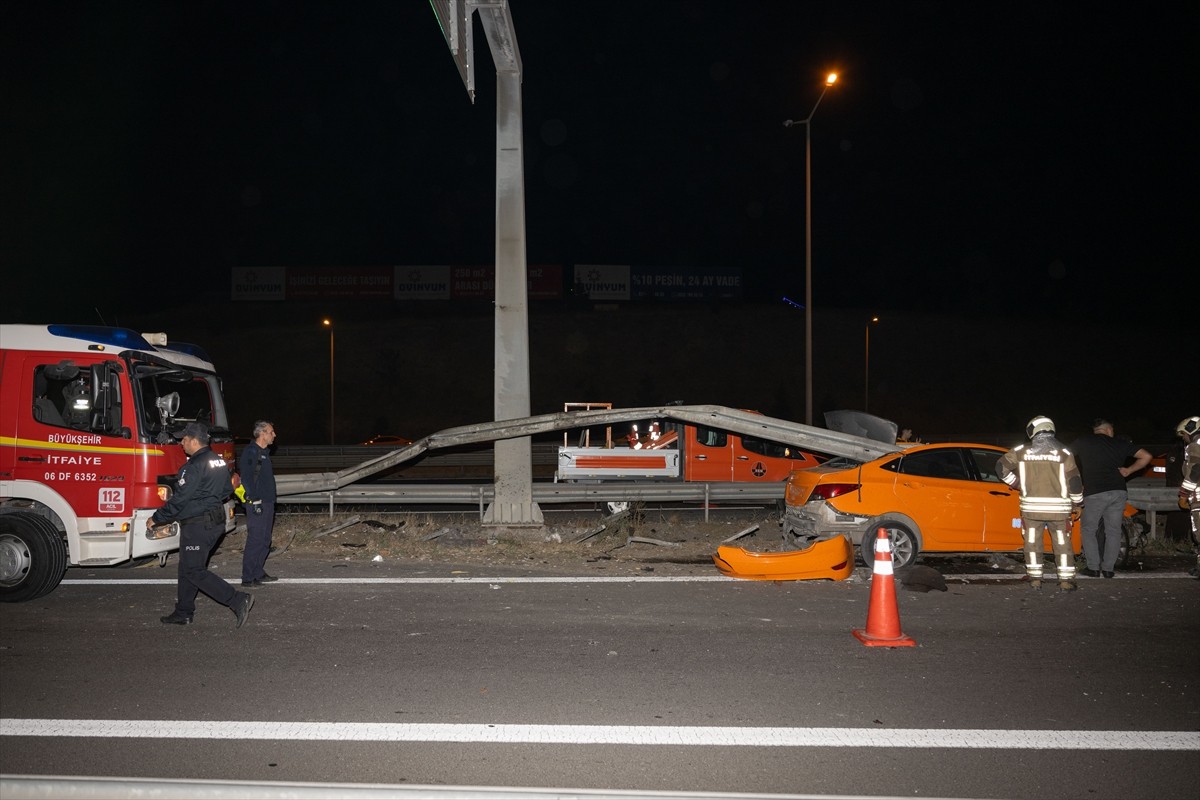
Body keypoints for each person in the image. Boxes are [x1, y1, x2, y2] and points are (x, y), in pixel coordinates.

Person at [149, 422, 254, 627]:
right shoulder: (218, 460)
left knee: (193, 570)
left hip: (198, 524)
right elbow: (227, 489)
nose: (181, 443)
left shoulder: (193, 466)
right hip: (214, 520)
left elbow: (180, 499)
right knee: (186, 568)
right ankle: (183, 612)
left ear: (194, 441)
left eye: (184, 439)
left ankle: (237, 599)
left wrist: (158, 517)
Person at [996, 416, 1083, 591]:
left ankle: (1035, 579)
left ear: (1032, 431)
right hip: (1058, 510)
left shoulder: (1021, 451)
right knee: (1062, 543)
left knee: (1032, 542)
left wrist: (1017, 484)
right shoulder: (1064, 453)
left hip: (1031, 509)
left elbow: (1000, 468)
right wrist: (1077, 503)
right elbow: (1074, 482)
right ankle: (1065, 581)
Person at [1070, 418, 1152, 578]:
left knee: (1089, 530)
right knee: (1113, 531)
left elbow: (1064, 455)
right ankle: (1108, 569)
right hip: (1118, 491)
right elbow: (1146, 456)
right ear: (1108, 430)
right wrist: (1128, 470)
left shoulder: (1083, 441)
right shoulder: (1120, 443)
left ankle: (1093, 567)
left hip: (1095, 492)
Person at [239, 419, 279, 587]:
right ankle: (248, 577)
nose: (274, 435)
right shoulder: (251, 452)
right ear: (262, 433)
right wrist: (254, 499)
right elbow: (246, 477)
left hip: (268, 502)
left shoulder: (264, 452)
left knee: (265, 540)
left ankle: (258, 572)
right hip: (257, 502)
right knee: (255, 539)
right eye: (271, 432)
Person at [1175, 416, 1200, 578]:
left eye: (1184, 434)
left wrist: (1184, 494)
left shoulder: (1195, 446)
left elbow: (1195, 471)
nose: (1183, 438)